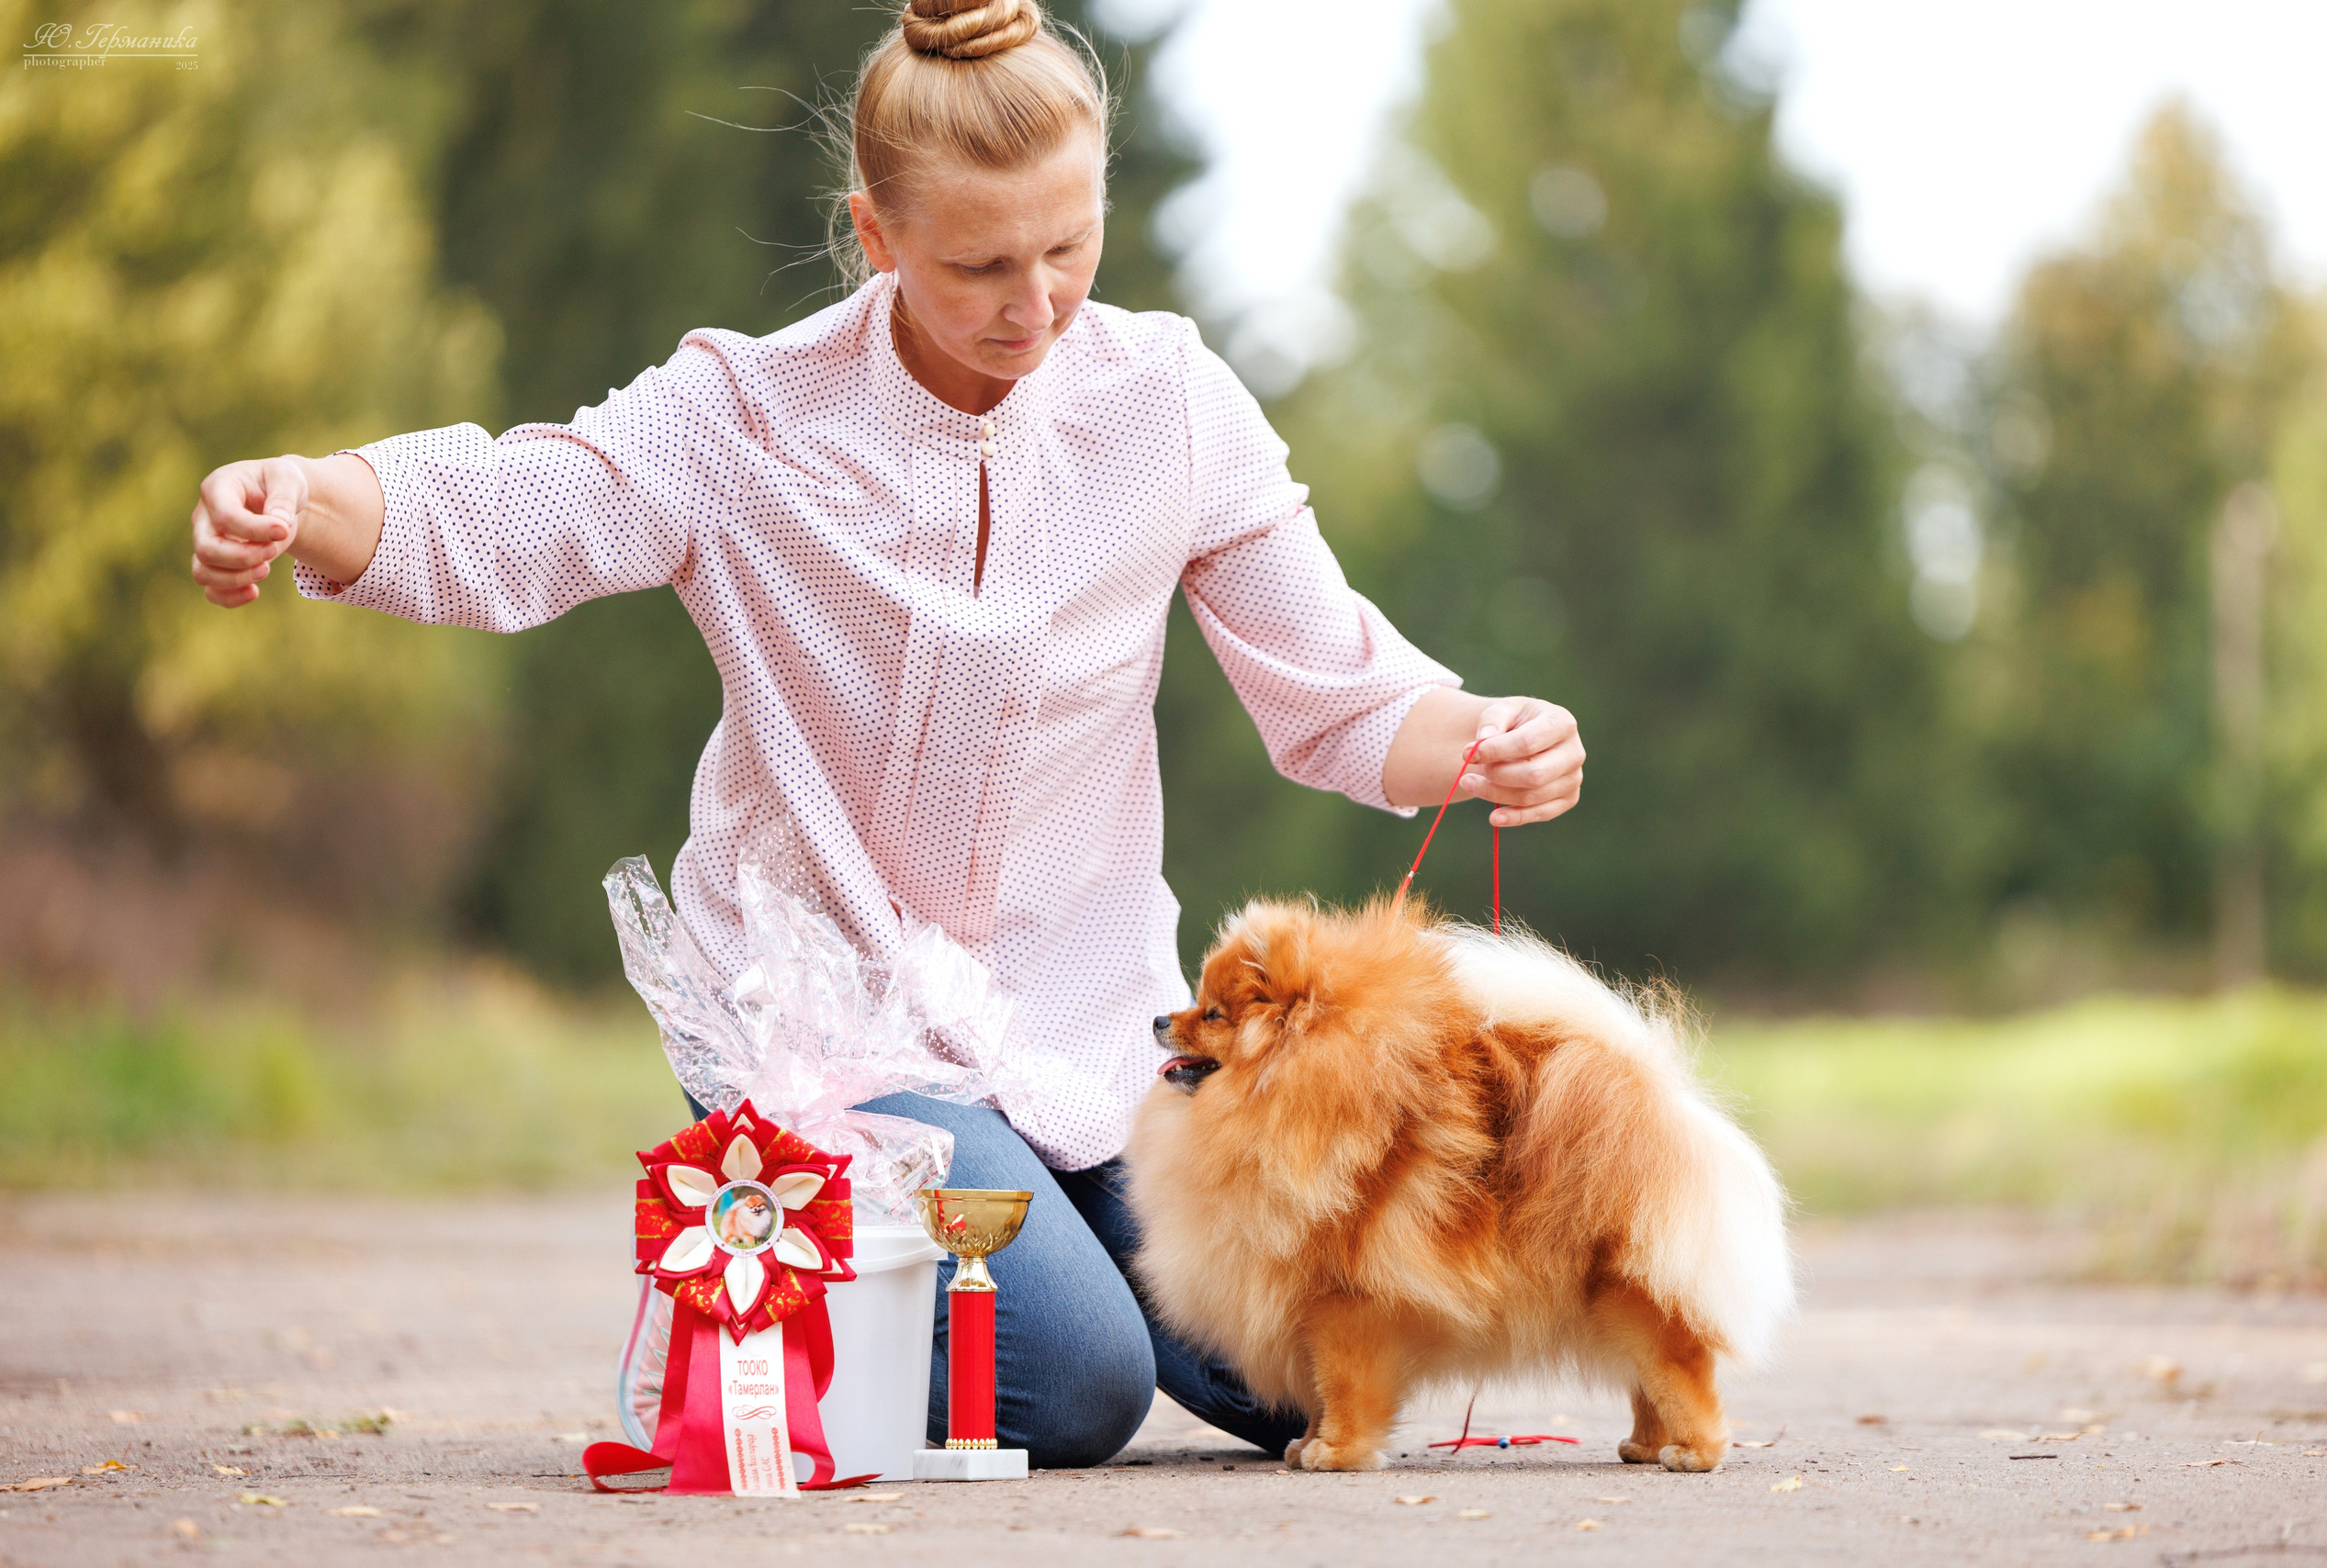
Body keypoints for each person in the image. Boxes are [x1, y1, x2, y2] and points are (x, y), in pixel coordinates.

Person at [186, 0, 1586, 1468]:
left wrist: (1480, 734)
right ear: (874, 232)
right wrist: (309, 495)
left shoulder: (1167, 401)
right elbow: (529, 508)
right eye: (980, 264)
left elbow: (1335, 684)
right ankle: (761, 1276)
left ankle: (1034, 1252)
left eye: (1069, 248)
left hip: (1083, 1019)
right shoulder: (745, 417)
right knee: (1072, 1382)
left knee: (1309, 1371)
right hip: (833, 1012)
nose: (1034, 306)